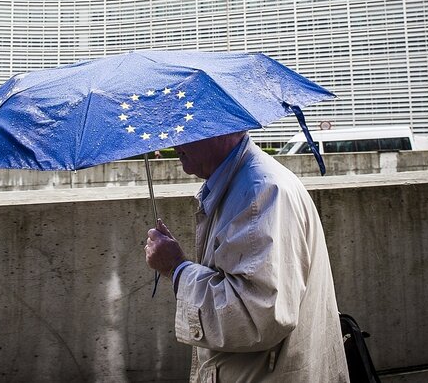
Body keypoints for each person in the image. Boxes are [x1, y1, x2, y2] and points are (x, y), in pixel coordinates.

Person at [144, 131, 349, 382]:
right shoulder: (243, 185)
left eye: (184, 128)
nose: (173, 142)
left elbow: (254, 316)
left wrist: (177, 269)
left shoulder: (259, 193)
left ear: (224, 128)